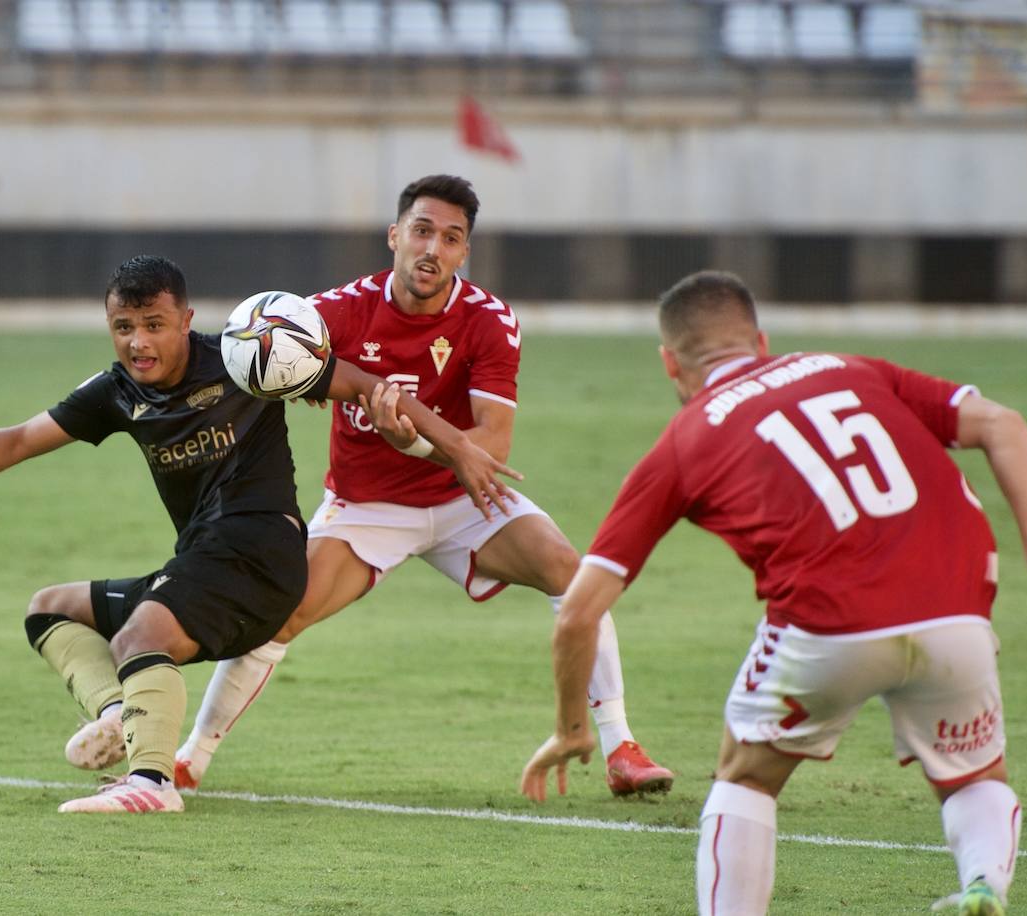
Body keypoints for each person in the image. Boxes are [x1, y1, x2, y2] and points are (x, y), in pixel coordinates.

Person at [520, 270, 1027, 914]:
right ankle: (983, 884)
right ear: (762, 339)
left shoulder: (685, 440)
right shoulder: (852, 368)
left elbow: (578, 613)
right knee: (974, 776)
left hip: (830, 627)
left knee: (745, 775)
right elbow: (1003, 423)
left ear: (670, 362)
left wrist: (573, 728)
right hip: (957, 610)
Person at [0, 254, 514, 814]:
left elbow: (371, 386)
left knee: (139, 634)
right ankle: (120, 716)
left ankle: (152, 783)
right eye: (123, 327)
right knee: (49, 611)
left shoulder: (248, 360)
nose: (139, 342)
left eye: (154, 324)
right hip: (206, 564)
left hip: (260, 552)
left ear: (185, 318)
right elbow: (24, 438)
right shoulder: (116, 391)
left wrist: (458, 447)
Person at [174, 174, 675, 797]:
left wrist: (408, 438)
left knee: (570, 573)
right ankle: (188, 760)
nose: (433, 248)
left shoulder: (489, 321)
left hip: (462, 498)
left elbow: (490, 447)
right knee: (281, 610)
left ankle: (620, 746)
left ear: (465, 252)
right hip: (366, 507)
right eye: (421, 231)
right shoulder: (337, 312)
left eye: (451, 238)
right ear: (394, 236)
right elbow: (268, 359)